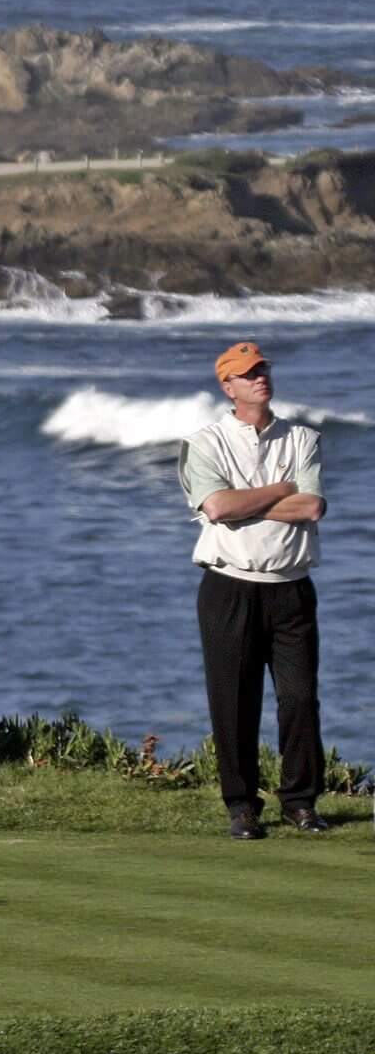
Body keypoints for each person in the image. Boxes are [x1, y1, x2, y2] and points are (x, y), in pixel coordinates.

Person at [177, 342, 331, 840]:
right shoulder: (204, 442)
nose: (259, 377)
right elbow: (217, 506)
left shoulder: (303, 438)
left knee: (300, 700)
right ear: (228, 386)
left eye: (263, 368)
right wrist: (281, 490)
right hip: (229, 587)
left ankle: (299, 802)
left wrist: (247, 503)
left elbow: (311, 508)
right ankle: (242, 806)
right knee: (234, 701)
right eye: (247, 373)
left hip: (291, 587)